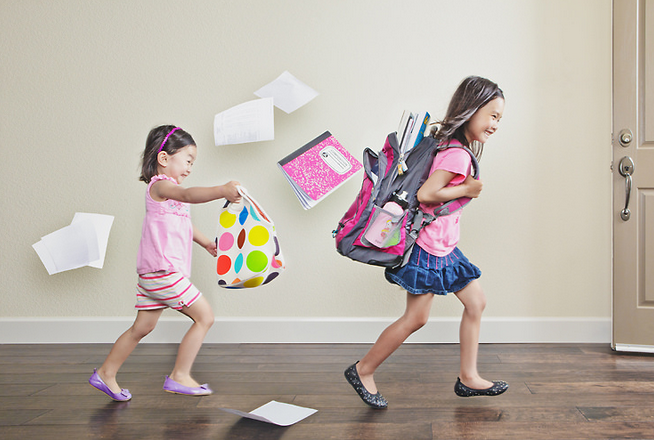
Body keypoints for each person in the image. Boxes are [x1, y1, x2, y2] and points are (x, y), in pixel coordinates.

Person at [344, 76, 508, 409]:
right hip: (429, 249)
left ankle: (468, 377)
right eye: (491, 115)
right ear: (471, 109)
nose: (495, 124)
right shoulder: (457, 154)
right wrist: (467, 189)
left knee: (476, 302)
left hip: (443, 245)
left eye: (499, 119)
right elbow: (427, 194)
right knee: (417, 318)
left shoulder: (448, 145)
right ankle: (363, 370)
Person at [89, 125, 241, 401]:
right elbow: (186, 195)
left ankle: (106, 372)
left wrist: (206, 242)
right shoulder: (160, 186)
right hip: (164, 271)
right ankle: (179, 376)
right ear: (164, 158)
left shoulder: (172, 195)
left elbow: (183, 223)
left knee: (142, 328)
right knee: (205, 317)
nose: (190, 168)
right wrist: (222, 190)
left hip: (153, 273)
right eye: (188, 160)